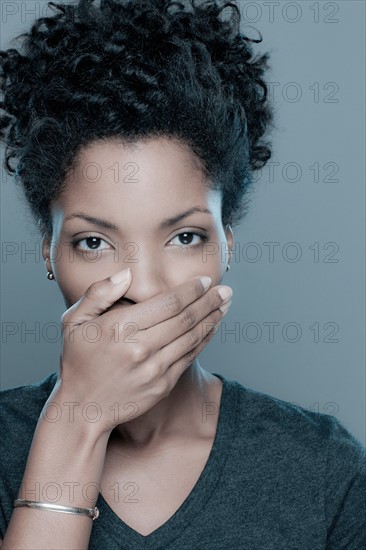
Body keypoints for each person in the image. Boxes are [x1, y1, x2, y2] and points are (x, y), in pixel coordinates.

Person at [0, 0, 364, 548]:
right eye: (94, 242)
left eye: (185, 237)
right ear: (49, 254)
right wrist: (77, 421)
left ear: (227, 246)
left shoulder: (325, 469)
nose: (144, 287)